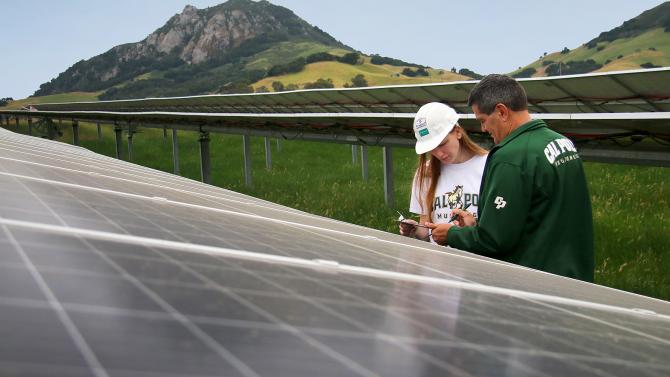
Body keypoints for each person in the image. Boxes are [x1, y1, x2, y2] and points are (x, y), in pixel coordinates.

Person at [428, 74, 594, 282]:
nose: (483, 129)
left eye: (483, 120)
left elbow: (495, 240)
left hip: (536, 281)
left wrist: (451, 235)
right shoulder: (562, 143)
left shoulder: (511, 156)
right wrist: (476, 225)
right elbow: (538, 214)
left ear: (501, 111)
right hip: (574, 275)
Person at [399, 102, 487, 243]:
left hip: (476, 261)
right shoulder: (425, 173)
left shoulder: (488, 165)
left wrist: (471, 228)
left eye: (442, 144)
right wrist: (416, 230)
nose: (439, 153)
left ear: (458, 132)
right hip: (437, 262)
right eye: (432, 148)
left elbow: (498, 231)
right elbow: (427, 229)